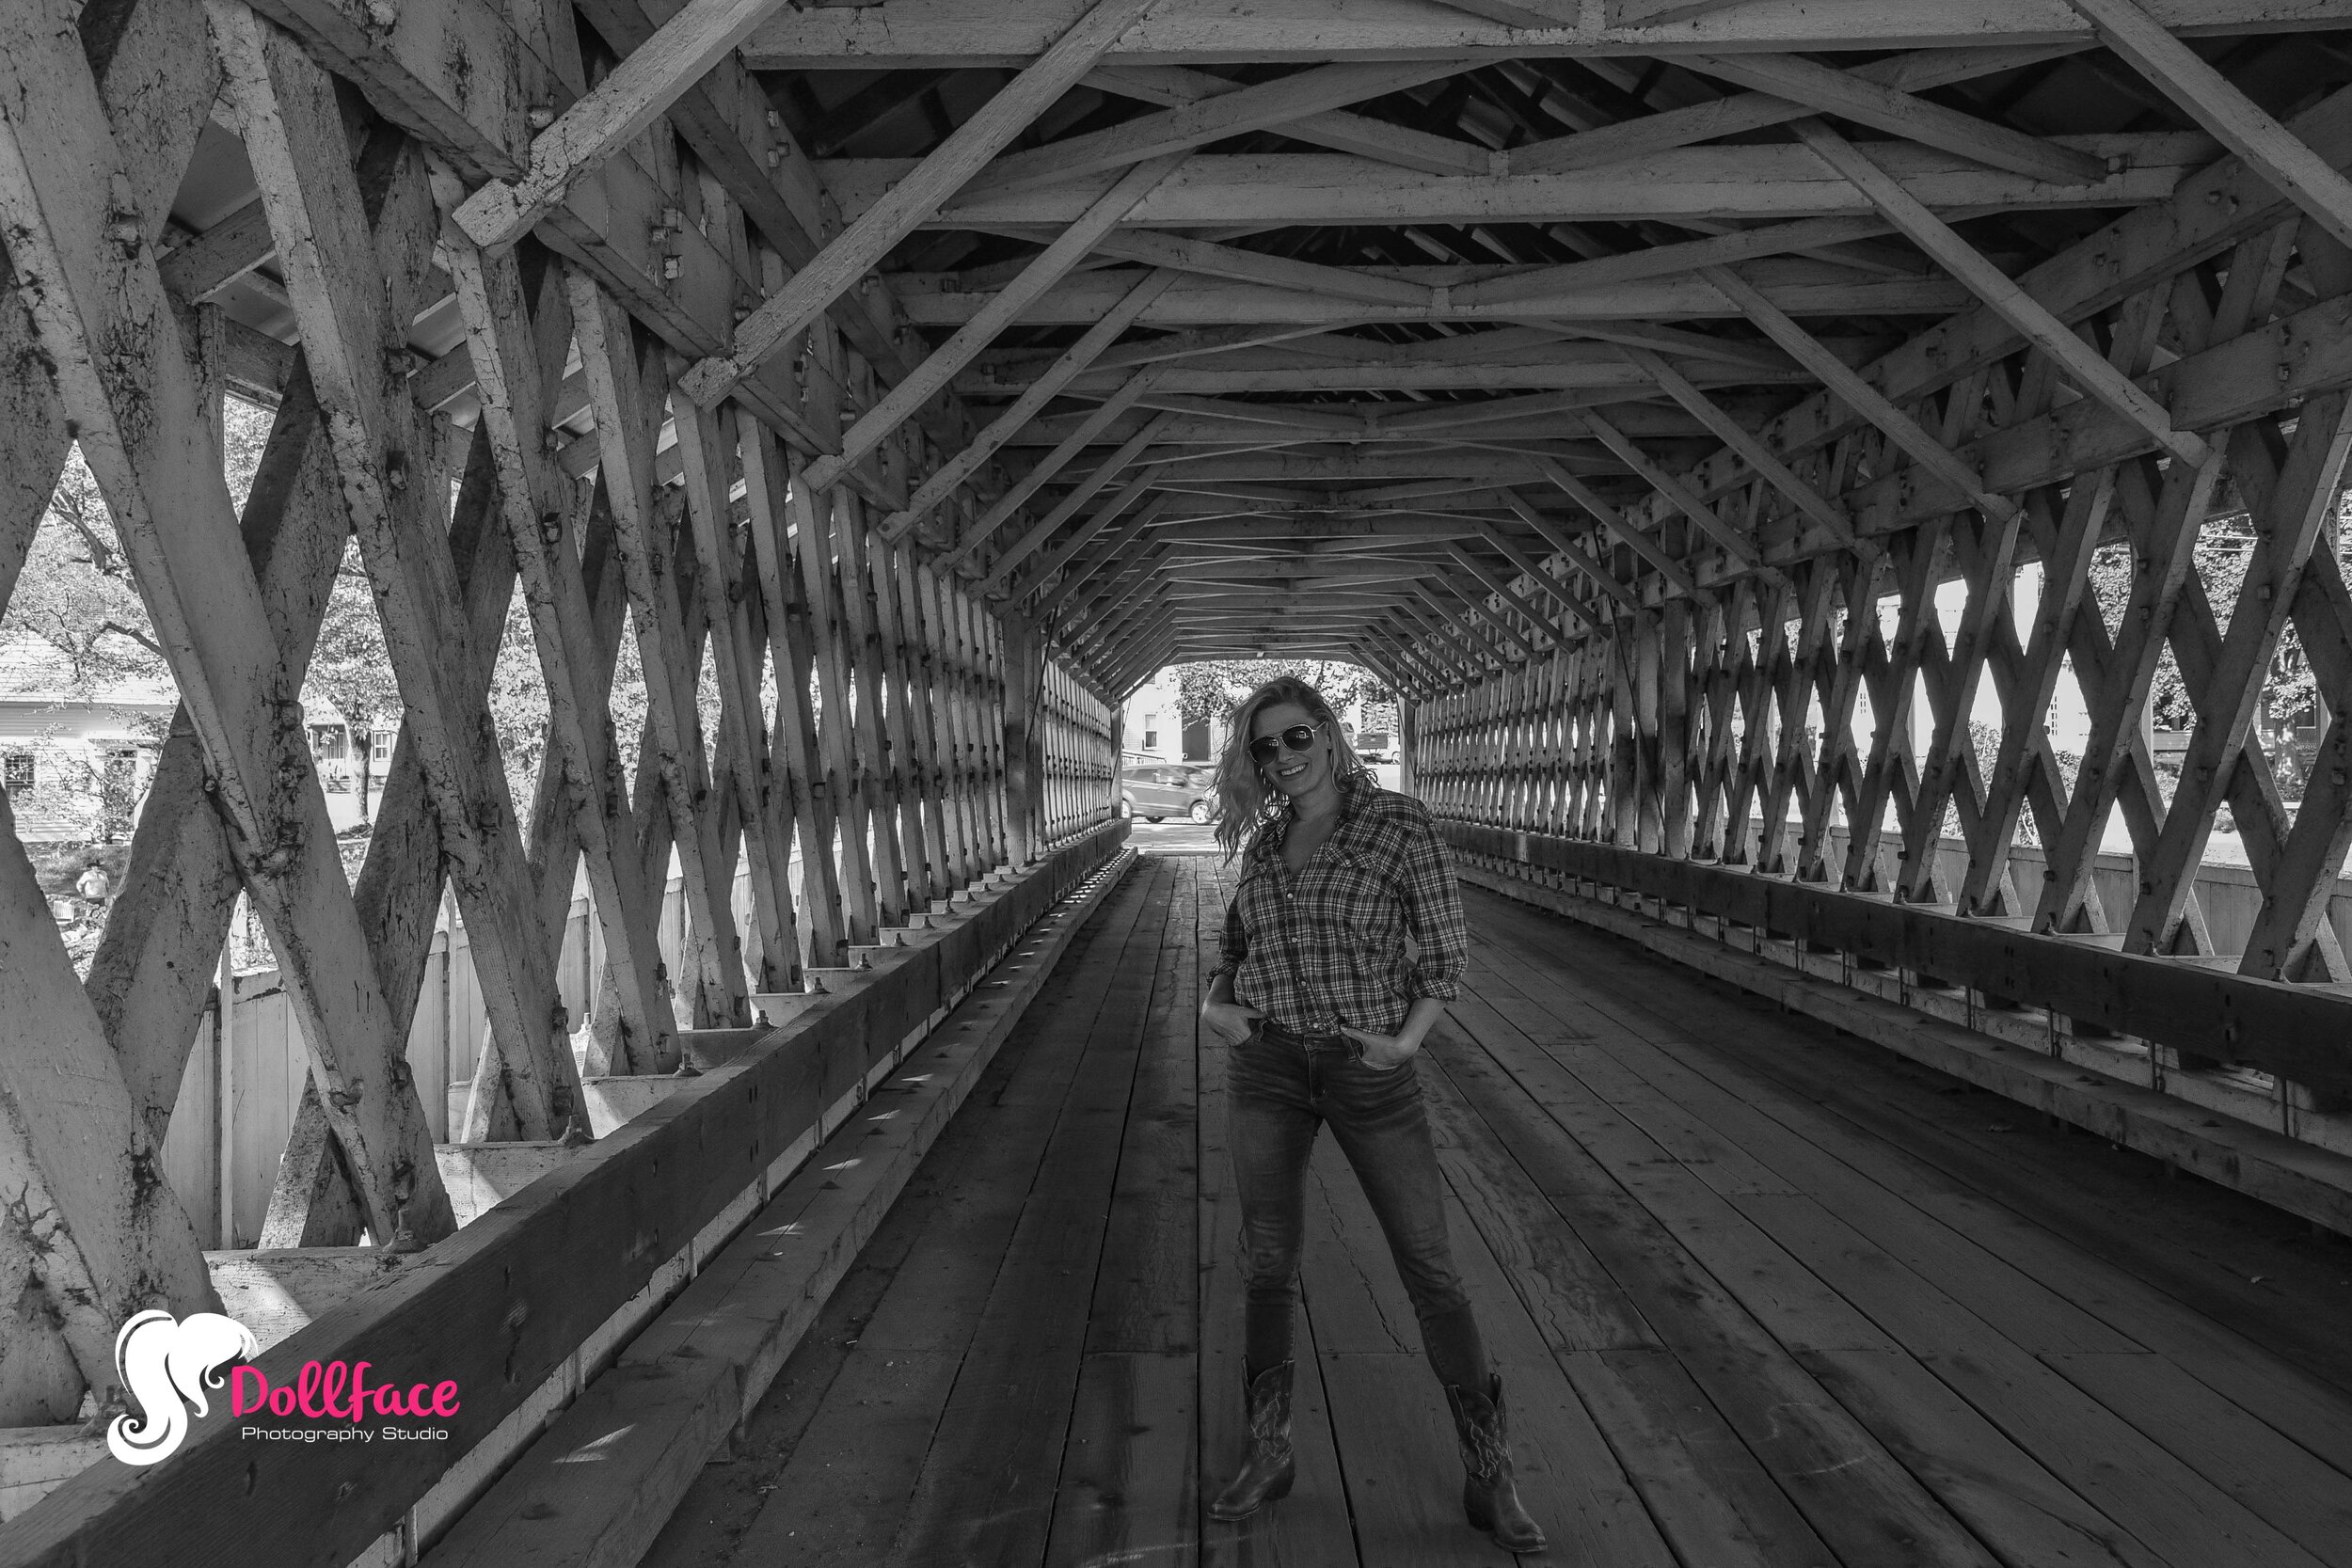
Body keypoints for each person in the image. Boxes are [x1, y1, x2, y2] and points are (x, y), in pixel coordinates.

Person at [1199, 675, 1545, 1552]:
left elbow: (1446, 947)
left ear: (1329, 731)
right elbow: (1236, 947)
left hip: (1365, 1068)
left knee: (1430, 1267)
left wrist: (1406, 1042)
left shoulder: (1400, 825)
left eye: (1296, 738)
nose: (1281, 758)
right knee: (1267, 1261)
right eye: (1264, 747)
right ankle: (1269, 1451)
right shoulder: (1266, 839)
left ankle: (1489, 1472)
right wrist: (1215, 1003)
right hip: (1269, 1062)